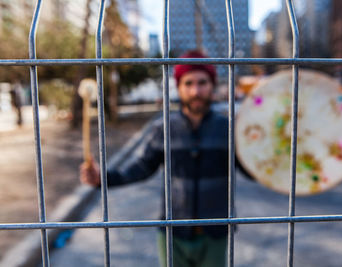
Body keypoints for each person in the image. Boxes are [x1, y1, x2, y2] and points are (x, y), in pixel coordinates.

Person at [80, 50, 251, 267]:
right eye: (188, 83)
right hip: (173, 232)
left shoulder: (229, 129)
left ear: (212, 85)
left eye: (202, 82)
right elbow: (141, 168)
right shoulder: (163, 129)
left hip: (216, 233)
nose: (195, 90)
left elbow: (253, 168)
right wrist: (102, 179)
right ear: (178, 87)